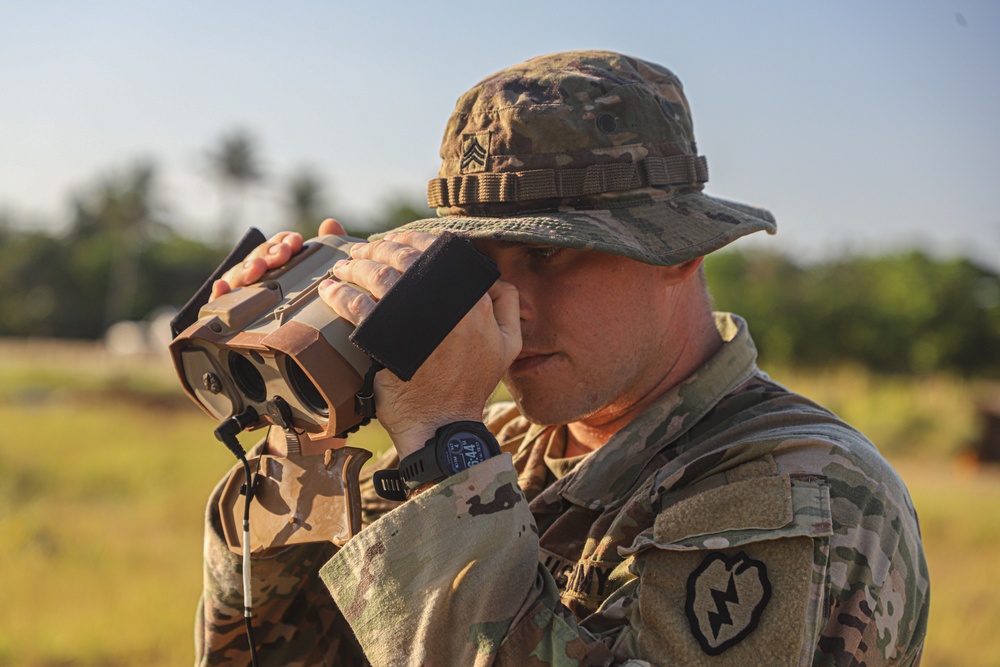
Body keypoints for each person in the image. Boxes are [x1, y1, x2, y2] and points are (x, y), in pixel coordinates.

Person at [196, 51, 929, 666]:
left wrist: (445, 440)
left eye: (547, 253)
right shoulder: (503, 446)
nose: (505, 305)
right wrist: (299, 406)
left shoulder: (798, 489)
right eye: (478, 262)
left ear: (680, 251)